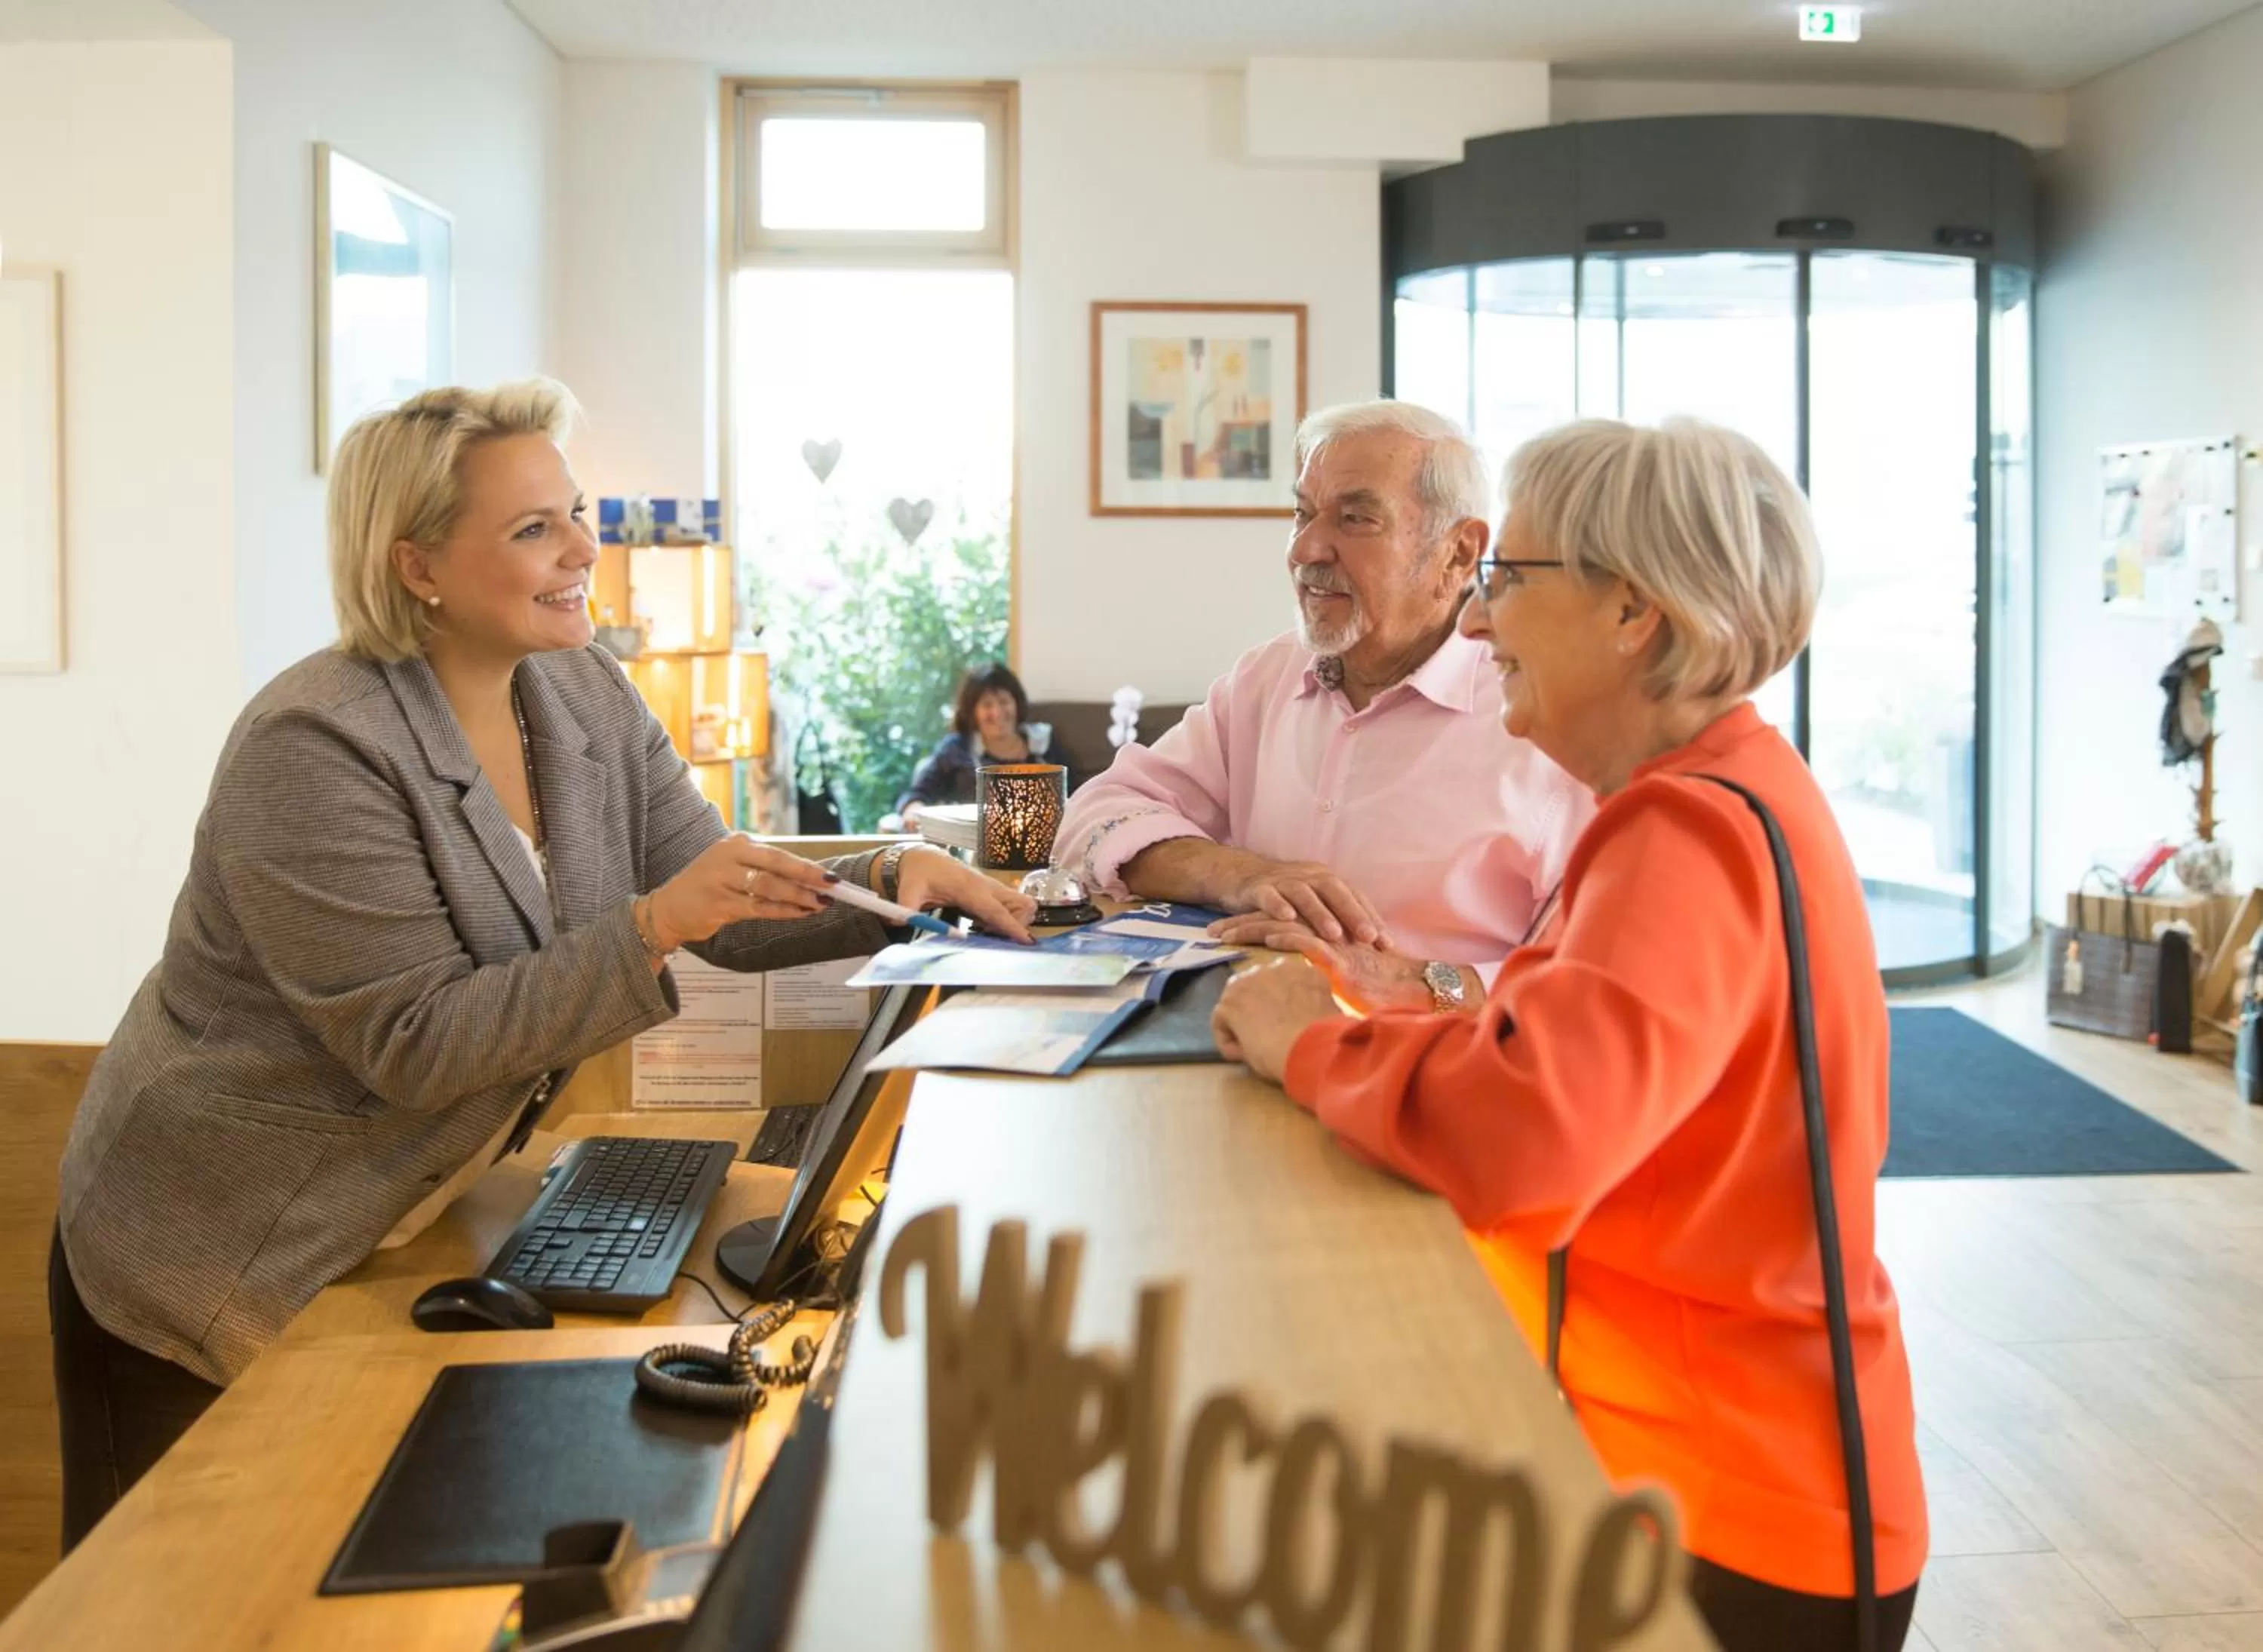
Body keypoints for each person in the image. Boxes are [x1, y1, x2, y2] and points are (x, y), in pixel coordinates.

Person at [49, 380, 1033, 1549]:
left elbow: (708, 890)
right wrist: (650, 924)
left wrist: (885, 881)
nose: (585, 549)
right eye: (534, 529)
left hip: (397, 1214)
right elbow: (419, 1041)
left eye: (576, 512)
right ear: (415, 564)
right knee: (174, 1599)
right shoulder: (312, 746)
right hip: (209, 1245)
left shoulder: (581, 688)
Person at [1210, 417, 1927, 1650]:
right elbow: (1575, 1048)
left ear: (1632, 614)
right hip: (1742, 1482)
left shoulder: (1684, 834)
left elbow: (1529, 1133)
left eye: (1507, 581)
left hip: (1735, 1513)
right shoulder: (1726, 788)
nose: (1478, 624)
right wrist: (1406, 995)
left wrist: (1302, 1041)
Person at [1053, 401, 1592, 998]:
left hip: (1432, 1068)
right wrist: (1240, 875)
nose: (1307, 549)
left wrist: (1427, 986)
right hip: (1234, 1040)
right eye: (1302, 513)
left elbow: (1595, 986)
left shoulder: (1550, 720)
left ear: (1460, 553)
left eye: (1355, 519)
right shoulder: (1269, 677)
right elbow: (1095, 816)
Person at [892, 662, 1052, 827]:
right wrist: (913, 811)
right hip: (969, 846)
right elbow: (916, 794)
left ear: (1017, 704)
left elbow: (1071, 797)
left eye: (1004, 702)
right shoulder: (956, 748)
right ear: (972, 712)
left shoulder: (1043, 744)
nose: (997, 713)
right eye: (987, 705)